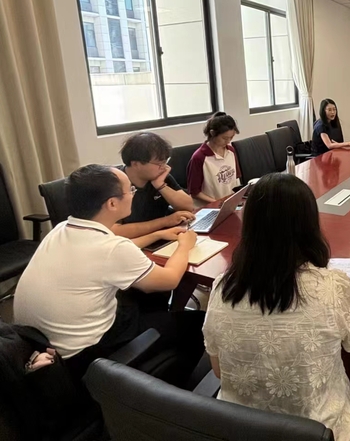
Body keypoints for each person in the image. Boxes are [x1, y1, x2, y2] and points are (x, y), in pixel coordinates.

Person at [202, 173, 350, 441]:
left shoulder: (222, 288)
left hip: (240, 431)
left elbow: (219, 372)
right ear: (309, 226)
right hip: (318, 431)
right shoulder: (331, 287)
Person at [14, 165, 206, 385]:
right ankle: (172, 389)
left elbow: (114, 250)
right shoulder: (112, 249)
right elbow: (169, 279)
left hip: (43, 343)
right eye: (130, 190)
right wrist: (185, 244)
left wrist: (158, 235)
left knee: (144, 297)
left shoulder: (61, 229)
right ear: (112, 203)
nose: (133, 194)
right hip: (84, 356)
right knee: (198, 322)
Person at [113, 132, 195, 242]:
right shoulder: (113, 184)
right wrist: (165, 221)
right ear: (136, 164)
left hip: (163, 237)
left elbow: (189, 206)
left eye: (165, 162)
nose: (164, 167)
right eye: (159, 164)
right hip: (134, 244)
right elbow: (115, 231)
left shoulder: (160, 177)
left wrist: (161, 186)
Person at [188, 112, 241, 208]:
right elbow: (194, 192)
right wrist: (217, 203)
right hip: (208, 208)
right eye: (224, 138)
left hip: (228, 204)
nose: (228, 141)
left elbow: (236, 178)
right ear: (212, 133)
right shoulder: (199, 157)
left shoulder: (231, 151)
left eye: (231, 137)